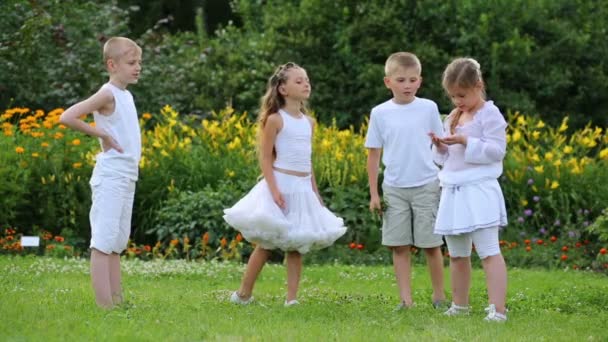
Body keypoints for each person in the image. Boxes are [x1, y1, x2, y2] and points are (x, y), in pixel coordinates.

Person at [223, 62, 347, 306]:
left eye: (307, 80)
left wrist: (315, 192)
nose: (306, 84)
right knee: (266, 244)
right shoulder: (275, 120)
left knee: (297, 245)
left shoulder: (309, 122)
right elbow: (266, 157)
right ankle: (243, 294)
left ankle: (291, 299)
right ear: (282, 89)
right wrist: (274, 189)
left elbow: (307, 161)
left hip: (302, 189)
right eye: (298, 81)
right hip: (279, 185)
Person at [59, 37, 142, 309]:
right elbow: (68, 116)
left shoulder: (126, 95)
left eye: (139, 62)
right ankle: (104, 306)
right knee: (103, 242)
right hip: (111, 177)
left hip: (127, 176)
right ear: (112, 64)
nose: (137, 67)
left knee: (116, 243)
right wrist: (100, 133)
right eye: (131, 63)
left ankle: (118, 302)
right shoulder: (107, 93)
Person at [365, 52, 446, 310]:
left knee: (432, 245)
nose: (407, 85)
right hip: (394, 188)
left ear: (420, 81)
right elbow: (374, 154)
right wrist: (374, 194)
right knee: (399, 246)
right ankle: (405, 300)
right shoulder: (380, 113)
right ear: (388, 82)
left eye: (412, 80)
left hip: (426, 185)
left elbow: (441, 145)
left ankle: (439, 297)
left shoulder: (429, 108)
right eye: (401, 80)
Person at [429, 57, 508, 322]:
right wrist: (440, 146)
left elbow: (497, 151)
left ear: (478, 85)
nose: (457, 101)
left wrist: (466, 140)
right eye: (452, 96)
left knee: (488, 250)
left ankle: (498, 309)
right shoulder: (453, 116)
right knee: (457, 253)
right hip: (453, 190)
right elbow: (445, 159)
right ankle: (459, 305)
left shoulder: (490, 114)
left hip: (480, 190)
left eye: (462, 95)